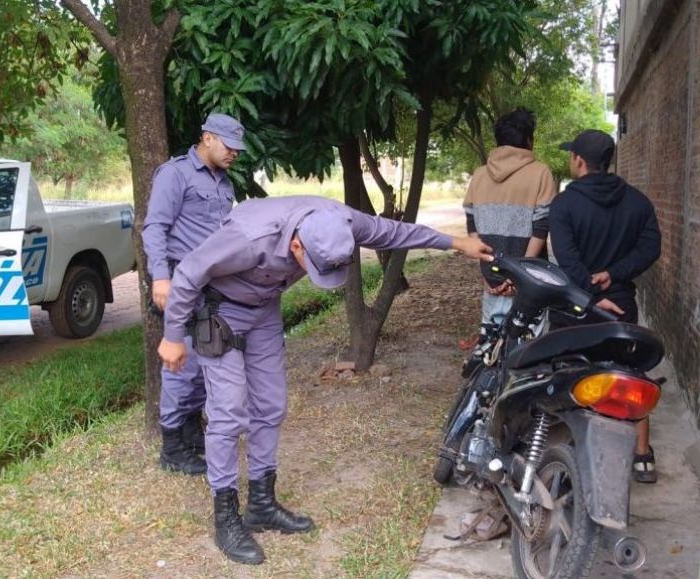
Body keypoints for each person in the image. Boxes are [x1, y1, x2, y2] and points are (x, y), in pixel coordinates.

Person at [158, 195, 493, 564]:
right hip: (221, 310)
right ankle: (225, 517)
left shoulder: (340, 221)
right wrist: (173, 336)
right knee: (229, 413)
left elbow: (392, 232)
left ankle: (261, 504)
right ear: (296, 246)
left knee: (271, 405)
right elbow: (188, 273)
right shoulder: (249, 237)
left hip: (264, 309)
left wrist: (457, 242)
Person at [550, 129, 662, 483]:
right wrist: (614, 275)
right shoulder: (638, 202)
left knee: (571, 374)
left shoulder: (564, 204)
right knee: (629, 373)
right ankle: (642, 455)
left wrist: (591, 294)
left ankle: (571, 451)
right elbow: (650, 249)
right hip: (620, 301)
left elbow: (567, 259)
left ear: (579, 161)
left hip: (576, 306)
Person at [142, 112, 246, 476]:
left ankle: (190, 433)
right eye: (229, 146)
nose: (234, 153)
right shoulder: (176, 174)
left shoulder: (224, 182)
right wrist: (160, 278)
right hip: (180, 284)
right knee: (181, 367)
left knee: (206, 362)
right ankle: (172, 448)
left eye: (238, 148)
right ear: (207, 138)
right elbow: (154, 227)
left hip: (212, 288)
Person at [462, 108, 556, 367]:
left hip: (492, 279)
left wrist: (487, 273)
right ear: (529, 141)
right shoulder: (541, 173)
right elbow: (541, 228)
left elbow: (472, 225)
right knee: (527, 355)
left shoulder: (479, 175)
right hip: (529, 283)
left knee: (489, 352)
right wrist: (520, 275)